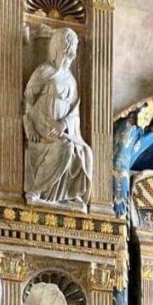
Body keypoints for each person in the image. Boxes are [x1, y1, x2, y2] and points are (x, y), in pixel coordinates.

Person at [23, 27, 93, 210]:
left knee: (84, 152)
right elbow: (27, 100)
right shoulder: (45, 71)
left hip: (59, 128)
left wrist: (64, 123)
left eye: (76, 44)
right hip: (42, 125)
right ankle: (37, 192)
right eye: (72, 44)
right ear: (62, 45)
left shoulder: (71, 79)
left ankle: (63, 195)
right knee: (65, 146)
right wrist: (29, 126)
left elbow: (74, 110)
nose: (75, 49)